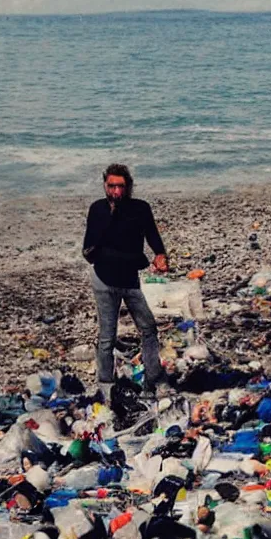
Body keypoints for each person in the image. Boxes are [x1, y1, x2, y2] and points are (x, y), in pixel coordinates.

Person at [82, 164, 171, 400]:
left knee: (148, 327)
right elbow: (89, 251)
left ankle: (154, 378)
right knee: (107, 336)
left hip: (130, 281)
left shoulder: (140, 209)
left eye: (121, 186)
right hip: (104, 281)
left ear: (128, 186)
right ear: (105, 186)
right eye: (111, 186)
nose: (116, 192)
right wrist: (133, 257)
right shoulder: (98, 209)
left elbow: (152, 234)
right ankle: (106, 385)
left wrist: (160, 255)